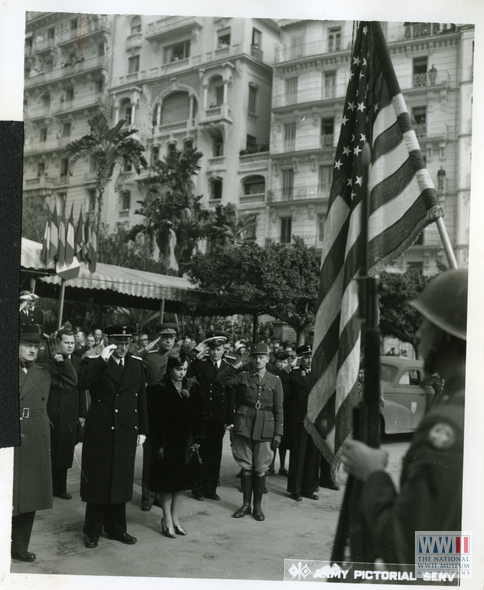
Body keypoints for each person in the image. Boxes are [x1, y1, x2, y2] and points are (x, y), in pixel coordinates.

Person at [341, 268, 467, 566]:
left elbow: (412, 551)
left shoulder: (448, 424)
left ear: (446, 337)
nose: (419, 333)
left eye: (427, 323)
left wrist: (374, 474)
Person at [78, 324, 149, 549]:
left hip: (126, 429)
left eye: (127, 343)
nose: (123, 347)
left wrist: (144, 429)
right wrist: (101, 360)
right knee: (99, 479)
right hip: (101, 429)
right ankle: (93, 530)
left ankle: (117, 528)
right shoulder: (94, 361)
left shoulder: (137, 365)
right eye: (119, 343)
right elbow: (82, 383)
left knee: (120, 477)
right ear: (109, 341)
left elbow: (142, 400)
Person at [13, 325, 78, 562]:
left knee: (28, 493)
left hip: (36, 435)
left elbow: (71, 381)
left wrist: (61, 361)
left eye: (36, 346)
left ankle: (19, 546)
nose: (33, 349)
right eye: (27, 345)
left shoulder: (44, 370)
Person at [216, 343, 284, 521]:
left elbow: (279, 410)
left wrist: (278, 433)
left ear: (268, 359)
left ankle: (258, 506)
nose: (258, 360)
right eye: (254, 357)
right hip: (244, 424)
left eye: (261, 357)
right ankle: (246, 504)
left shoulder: (275, 380)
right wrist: (236, 366)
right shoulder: (244, 376)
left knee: (261, 467)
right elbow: (220, 381)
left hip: (265, 427)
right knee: (246, 466)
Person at [148, 351, 204, 538]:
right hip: (166, 443)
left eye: (185, 369)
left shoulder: (191, 386)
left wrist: (196, 439)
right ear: (170, 369)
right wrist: (159, 445)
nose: (182, 373)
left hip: (185, 443)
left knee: (182, 483)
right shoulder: (160, 388)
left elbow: (197, 414)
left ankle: (175, 518)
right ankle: (166, 519)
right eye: (179, 369)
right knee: (167, 483)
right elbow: (155, 421)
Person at [188, 334, 235, 501]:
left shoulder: (229, 367)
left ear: (224, 350)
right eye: (213, 350)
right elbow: (187, 373)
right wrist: (195, 355)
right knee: (201, 452)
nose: (215, 353)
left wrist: (230, 419)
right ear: (208, 350)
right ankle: (198, 489)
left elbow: (231, 394)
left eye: (219, 350)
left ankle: (211, 489)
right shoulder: (201, 365)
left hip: (219, 417)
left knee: (215, 454)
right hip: (203, 416)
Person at [138, 322, 179, 511]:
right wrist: (147, 348)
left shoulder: (178, 357)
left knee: (167, 457)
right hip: (152, 413)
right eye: (165, 337)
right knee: (149, 458)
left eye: (172, 338)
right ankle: (147, 496)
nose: (169, 341)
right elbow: (136, 359)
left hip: (171, 414)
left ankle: (160, 495)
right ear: (159, 339)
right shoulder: (150, 357)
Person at [44, 328, 86, 499]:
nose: (69, 346)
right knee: (49, 449)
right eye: (66, 343)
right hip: (51, 411)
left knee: (64, 450)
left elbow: (81, 388)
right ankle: (46, 488)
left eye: (72, 343)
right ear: (58, 342)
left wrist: (82, 413)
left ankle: (60, 488)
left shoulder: (78, 361)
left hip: (70, 412)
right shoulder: (48, 360)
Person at [286, 345, 321, 501]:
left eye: (312, 357)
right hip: (298, 419)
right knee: (298, 455)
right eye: (306, 357)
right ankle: (296, 489)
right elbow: (280, 379)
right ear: (300, 358)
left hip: (314, 420)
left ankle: (308, 488)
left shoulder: (319, 374)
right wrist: (290, 364)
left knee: (312, 456)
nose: (309, 360)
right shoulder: (292, 373)